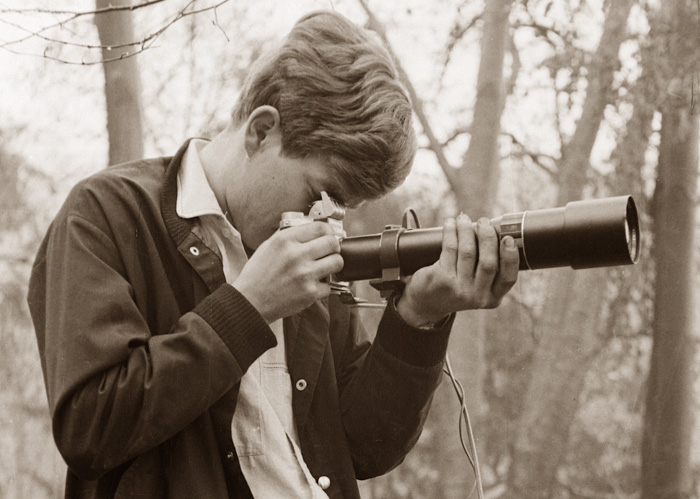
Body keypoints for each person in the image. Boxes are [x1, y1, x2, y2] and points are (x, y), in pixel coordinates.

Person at [27, 10, 519, 499]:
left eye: (342, 208)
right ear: (261, 131)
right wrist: (249, 306)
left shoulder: (304, 245)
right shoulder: (104, 213)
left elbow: (363, 447)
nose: (328, 221)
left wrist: (416, 318)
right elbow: (89, 428)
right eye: (321, 194)